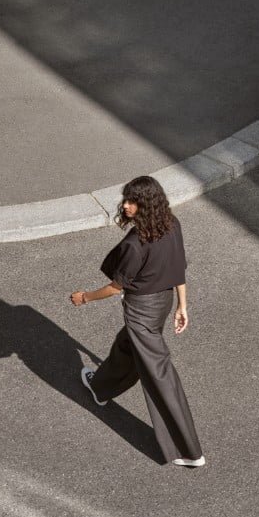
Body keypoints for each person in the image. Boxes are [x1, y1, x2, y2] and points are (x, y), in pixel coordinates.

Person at [70, 175, 205, 467]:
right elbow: (179, 266)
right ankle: (100, 388)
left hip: (141, 310)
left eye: (133, 202)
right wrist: (183, 305)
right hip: (163, 303)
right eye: (127, 200)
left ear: (146, 204)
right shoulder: (171, 223)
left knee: (159, 374)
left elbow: (117, 286)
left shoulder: (135, 243)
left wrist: (85, 297)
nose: (127, 206)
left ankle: (187, 451)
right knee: (127, 347)